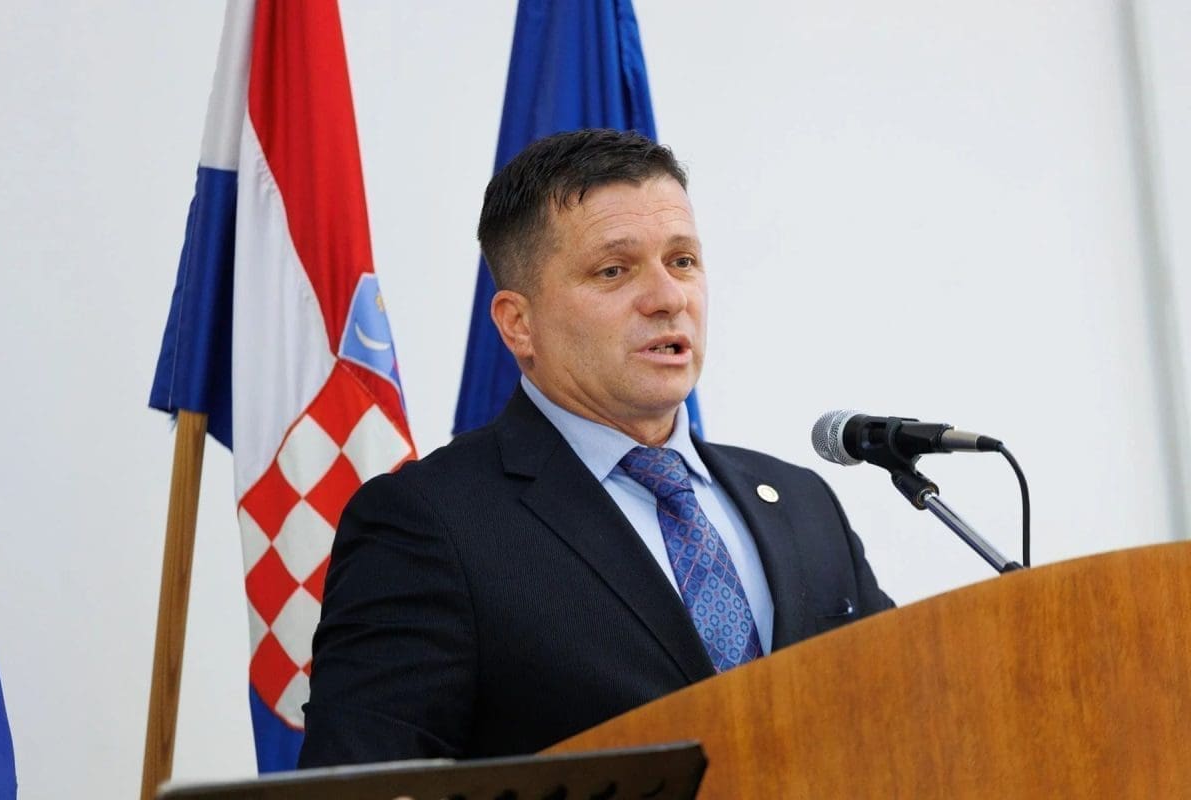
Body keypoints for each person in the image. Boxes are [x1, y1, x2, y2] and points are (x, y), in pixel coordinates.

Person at [298, 129, 892, 767]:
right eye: (614, 270)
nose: (669, 298)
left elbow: (896, 713)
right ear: (519, 324)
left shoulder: (802, 502)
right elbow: (363, 782)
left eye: (682, 261)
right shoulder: (429, 524)